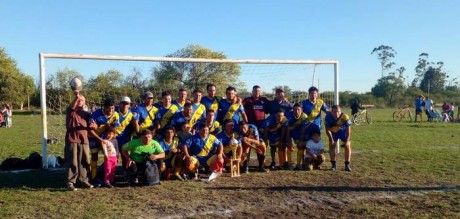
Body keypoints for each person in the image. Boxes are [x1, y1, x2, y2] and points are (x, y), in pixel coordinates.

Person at [64, 91, 94, 190]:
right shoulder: (71, 111)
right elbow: (72, 106)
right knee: (73, 161)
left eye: (82, 100)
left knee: (84, 161)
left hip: (84, 140)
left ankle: (84, 180)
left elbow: (92, 126)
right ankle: (70, 182)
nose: (80, 101)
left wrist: (94, 126)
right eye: (78, 100)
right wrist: (77, 96)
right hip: (72, 139)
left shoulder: (87, 114)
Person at [88, 98, 120, 181]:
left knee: (109, 156)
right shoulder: (96, 114)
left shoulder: (115, 115)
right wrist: (99, 138)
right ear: (104, 107)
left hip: (105, 138)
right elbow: (90, 130)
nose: (111, 110)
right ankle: (93, 178)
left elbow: (114, 129)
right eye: (109, 108)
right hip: (93, 138)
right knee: (94, 157)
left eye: (112, 108)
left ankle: (105, 175)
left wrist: (107, 126)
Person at [325, 105, 352, 172]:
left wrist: (347, 140)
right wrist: (331, 140)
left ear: (340, 111)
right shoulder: (328, 117)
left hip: (343, 132)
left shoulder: (345, 117)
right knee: (332, 146)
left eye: (338, 112)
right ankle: (333, 165)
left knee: (347, 146)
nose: (336, 113)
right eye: (334, 112)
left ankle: (347, 165)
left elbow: (348, 130)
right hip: (333, 132)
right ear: (331, 112)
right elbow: (327, 130)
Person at [115, 96, 138, 168]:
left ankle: (125, 171)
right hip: (115, 138)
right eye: (123, 103)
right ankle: (111, 173)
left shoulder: (132, 114)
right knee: (113, 156)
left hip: (125, 139)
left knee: (125, 156)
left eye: (127, 104)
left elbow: (134, 125)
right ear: (120, 104)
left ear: (129, 105)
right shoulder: (115, 112)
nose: (125, 105)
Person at [286, 103, 309, 170]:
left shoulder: (304, 116)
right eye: (295, 109)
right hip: (290, 133)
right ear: (292, 110)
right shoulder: (288, 115)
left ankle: (298, 164)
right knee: (288, 145)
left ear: (301, 110)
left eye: (298, 109)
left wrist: (301, 141)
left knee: (301, 146)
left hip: (299, 134)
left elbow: (303, 129)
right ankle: (289, 164)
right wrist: (289, 140)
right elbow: (287, 129)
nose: (297, 111)